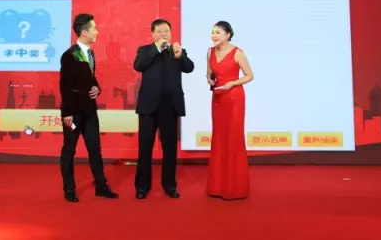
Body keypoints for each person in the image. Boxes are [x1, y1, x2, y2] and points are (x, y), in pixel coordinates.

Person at [59, 13, 118, 202]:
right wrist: (67, 113)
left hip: (90, 111)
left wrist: (97, 88)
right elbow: (65, 86)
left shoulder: (90, 53)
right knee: (69, 149)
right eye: (94, 28)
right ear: (84, 32)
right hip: (73, 113)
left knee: (94, 148)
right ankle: (69, 188)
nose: (97, 32)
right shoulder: (69, 55)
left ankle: (101, 185)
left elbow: (91, 78)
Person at [133, 19, 194, 199]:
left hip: (170, 107)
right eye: (159, 31)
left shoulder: (177, 51)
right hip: (148, 107)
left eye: (166, 31)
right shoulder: (145, 50)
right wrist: (157, 49)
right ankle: (142, 187)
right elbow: (138, 65)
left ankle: (169, 185)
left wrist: (181, 56)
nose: (163, 34)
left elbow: (189, 68)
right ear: (152, 34)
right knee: (145, 148)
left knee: (170, 149)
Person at [206, 21, 254, 200]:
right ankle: (217, 186)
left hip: (234, 98)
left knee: (233, 138)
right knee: (219, 137)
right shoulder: (210, 52)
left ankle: (234, 187)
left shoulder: (237, 53)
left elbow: (249, 75)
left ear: (228, 35)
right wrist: (210, 81)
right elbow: (209, 74)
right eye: (213, 32)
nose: (214, 35)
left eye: (218, 32)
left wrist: (233, 83)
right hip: (218, 98)